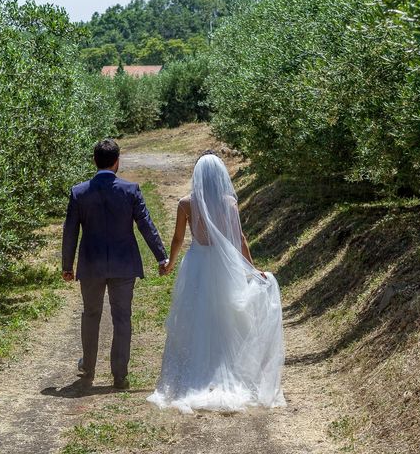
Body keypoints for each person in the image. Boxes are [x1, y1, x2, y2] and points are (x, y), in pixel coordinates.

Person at [147, 152, 285, 413]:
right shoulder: (228, 203)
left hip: (197, 264)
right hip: (224, 265)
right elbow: (239, 239)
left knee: (196, 317)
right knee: (227, 317)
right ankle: (228, 370)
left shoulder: (186, 204)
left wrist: (170, 263)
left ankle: (197, 372)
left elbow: (178, 239)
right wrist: (252, 270)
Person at [62, 139, 168, 389]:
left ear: (94, 161)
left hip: (91, 265)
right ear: (117, 161)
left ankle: (88, 368)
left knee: (91, 315)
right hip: (123, 264)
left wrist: (67, 265)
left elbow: (70, 232)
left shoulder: (79, 192)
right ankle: (119, 374)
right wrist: (161, 256)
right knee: (122, 318)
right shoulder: (130, 190)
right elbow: (146, 225)